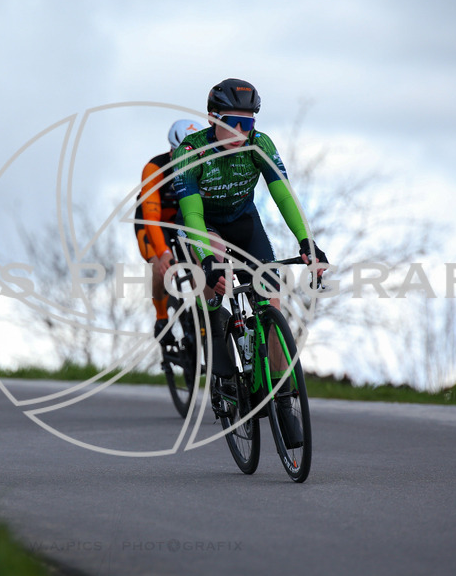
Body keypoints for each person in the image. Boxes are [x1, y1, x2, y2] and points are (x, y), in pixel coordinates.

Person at [172, 78, 327, 433]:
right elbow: (193, 215)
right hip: (203, 224)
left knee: (271, 296)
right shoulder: (191, 151)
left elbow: (283, 196)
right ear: (213, 119)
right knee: (216, 264)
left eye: (249, 122)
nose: (242, 131)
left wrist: (307, 243)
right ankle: (215, 336)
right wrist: (209, 264)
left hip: (243, 221)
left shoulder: (260, 144)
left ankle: (282, 394)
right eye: (233, 123)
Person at [135, 118, 202, 342]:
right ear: (171, 151)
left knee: (199, 267)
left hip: (181, 223)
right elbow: (151, 217)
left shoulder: (202, 167)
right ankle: (162, 316)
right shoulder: (154, 168)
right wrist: (163, 254)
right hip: (152, 223)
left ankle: (202, 316)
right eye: (180, 153)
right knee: (160, 268)